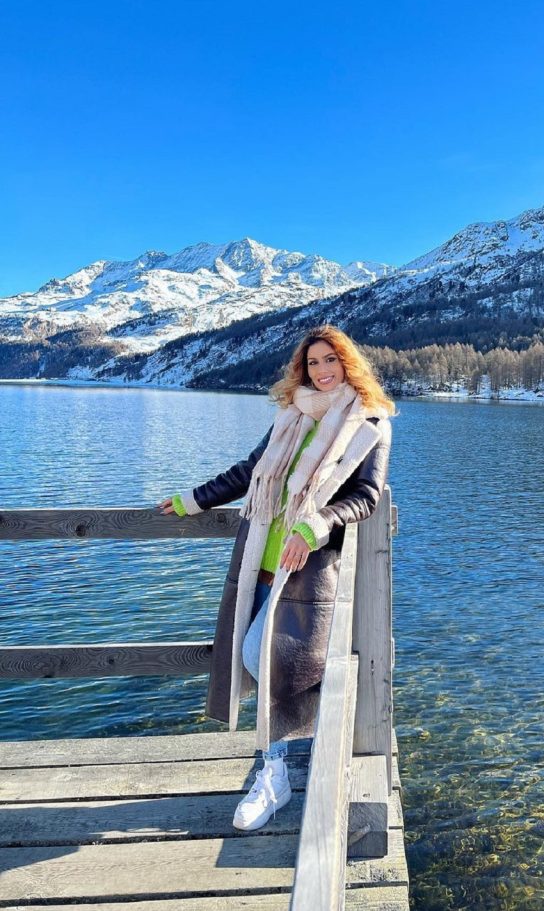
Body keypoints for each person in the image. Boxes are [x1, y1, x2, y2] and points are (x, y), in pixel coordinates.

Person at [158, 324, 395, 832]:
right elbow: (249, 472)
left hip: (305, 571)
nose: (322, 370)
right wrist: (192, 500)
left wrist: (316, 525)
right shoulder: (292, 416)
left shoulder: (370, 423)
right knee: (271, 663)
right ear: (302, 370)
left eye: (331, 359)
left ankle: (287, 765)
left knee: (262, 658)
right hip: (260, 562)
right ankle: (276, 773)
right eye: (313, 362)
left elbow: (367, 497)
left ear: (348, 363)